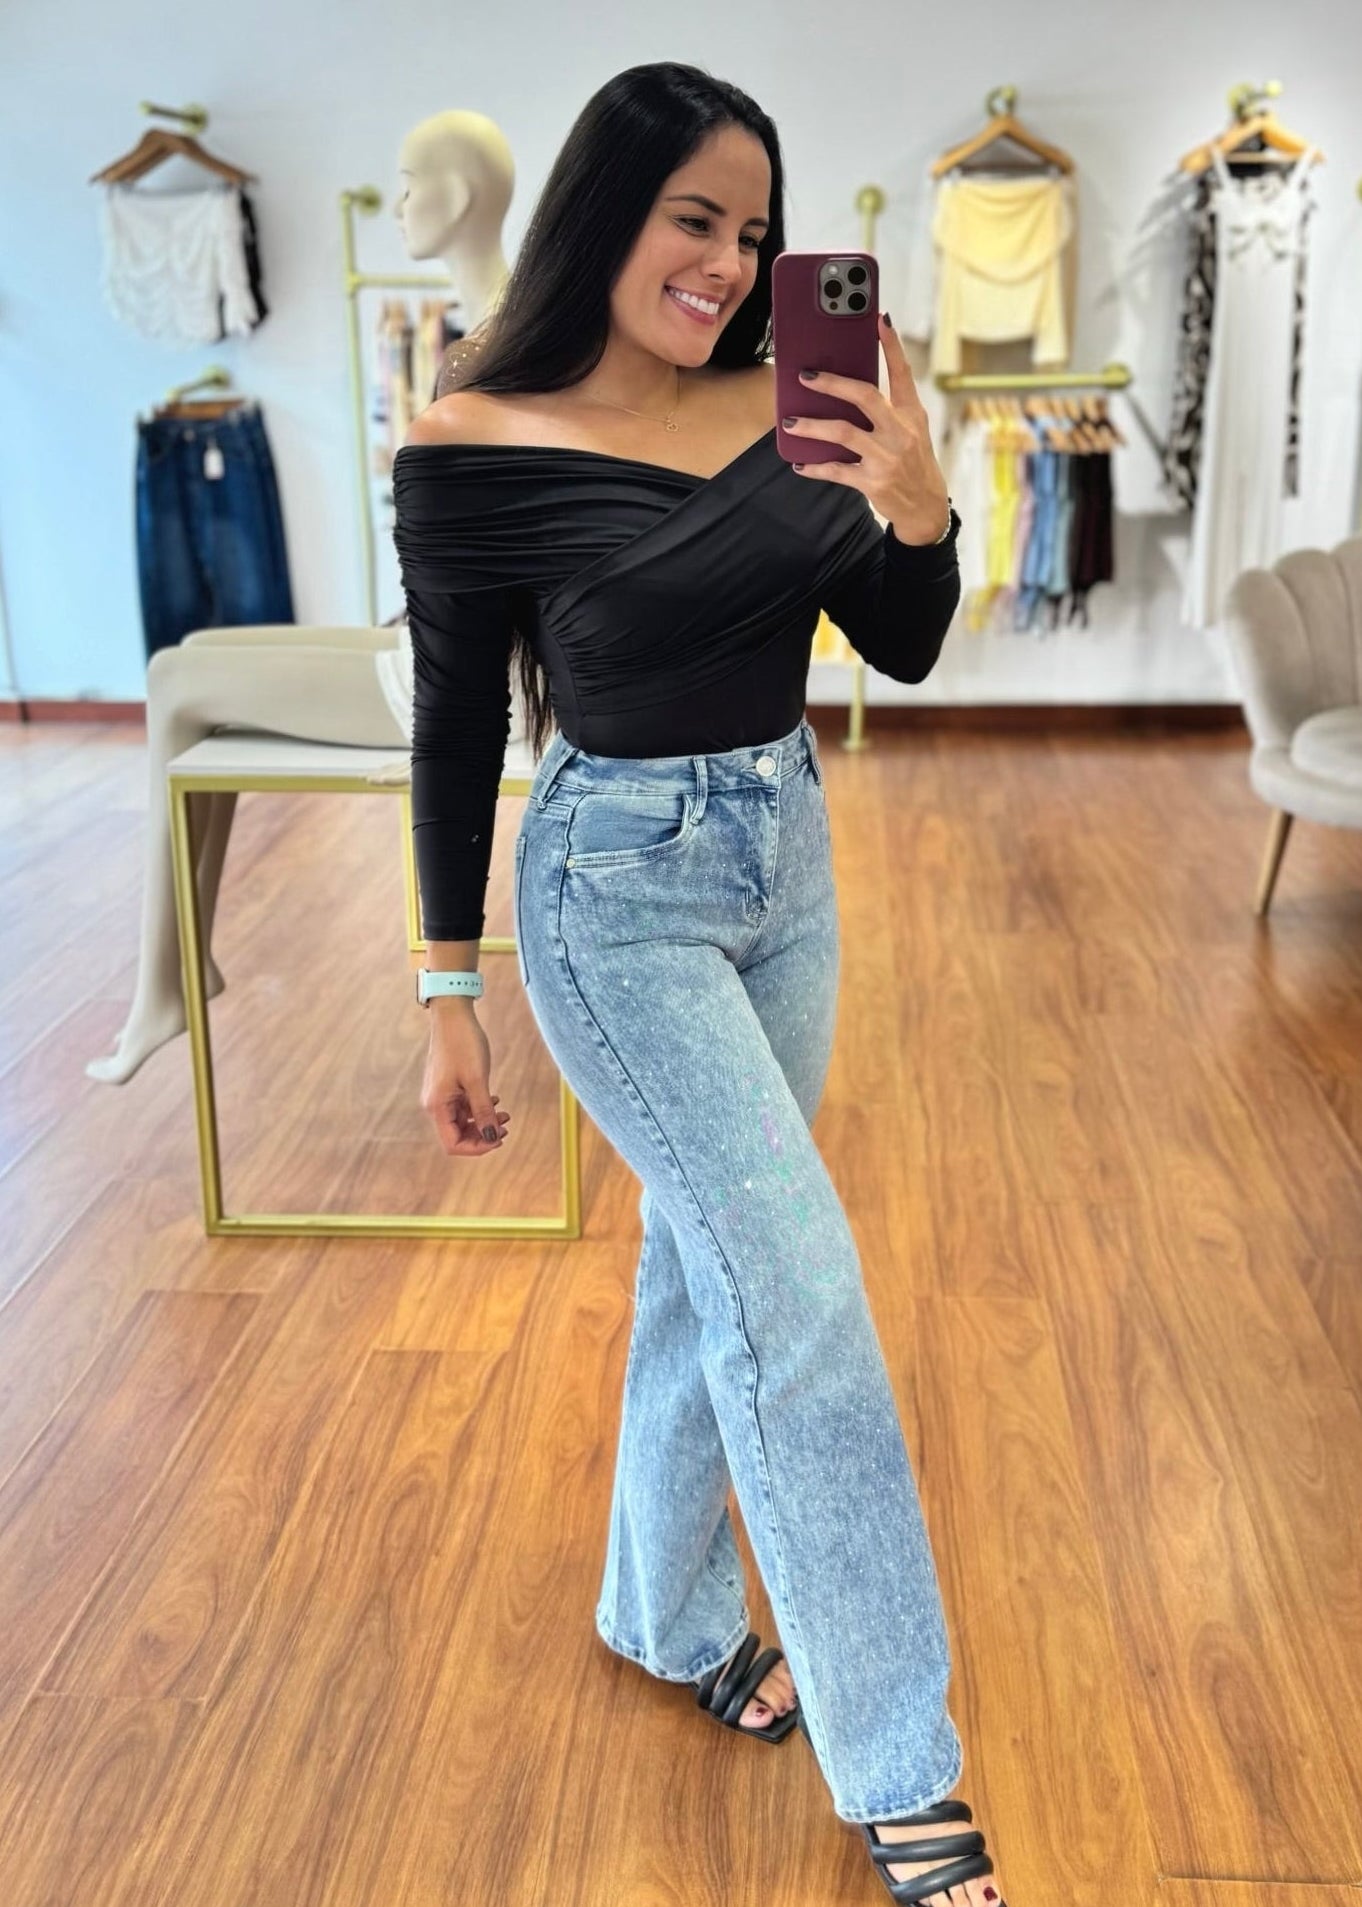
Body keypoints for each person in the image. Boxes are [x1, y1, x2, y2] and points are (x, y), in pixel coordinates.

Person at [393, 60, 1007, 1907]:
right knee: (795, 1294)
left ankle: (661, 1613)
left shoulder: (798, 400)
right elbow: (453, 722)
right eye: (693, 220)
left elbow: (900, 644)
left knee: (707, 1264)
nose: (730, 265)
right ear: (606, 210)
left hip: (784, 863)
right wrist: (444, 986)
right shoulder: (472, 437)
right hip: (615, 896)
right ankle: (901, 1766)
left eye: (752, 231)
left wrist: (920, 507)